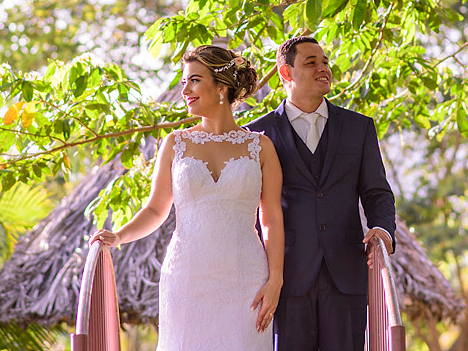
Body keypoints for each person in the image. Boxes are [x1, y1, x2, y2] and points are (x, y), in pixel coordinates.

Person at [91, 45, 284, 351]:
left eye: (194, 80)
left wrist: (275, 280)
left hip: (246, 278)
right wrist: (117, 236)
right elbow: (156, 209)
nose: (185, 90)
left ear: (221, 88)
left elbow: (271, 219)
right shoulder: (175, 143)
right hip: (187, 276)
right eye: (184, 82)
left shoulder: (261, 147)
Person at [245, 36, 396, 351]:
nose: (323, 68)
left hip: (346, 272)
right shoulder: (256, 134)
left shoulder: (359, 127)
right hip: (286, 277)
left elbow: (377, 192)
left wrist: (381, 228)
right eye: (311, 62)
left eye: (325, 61)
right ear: (286, 74)